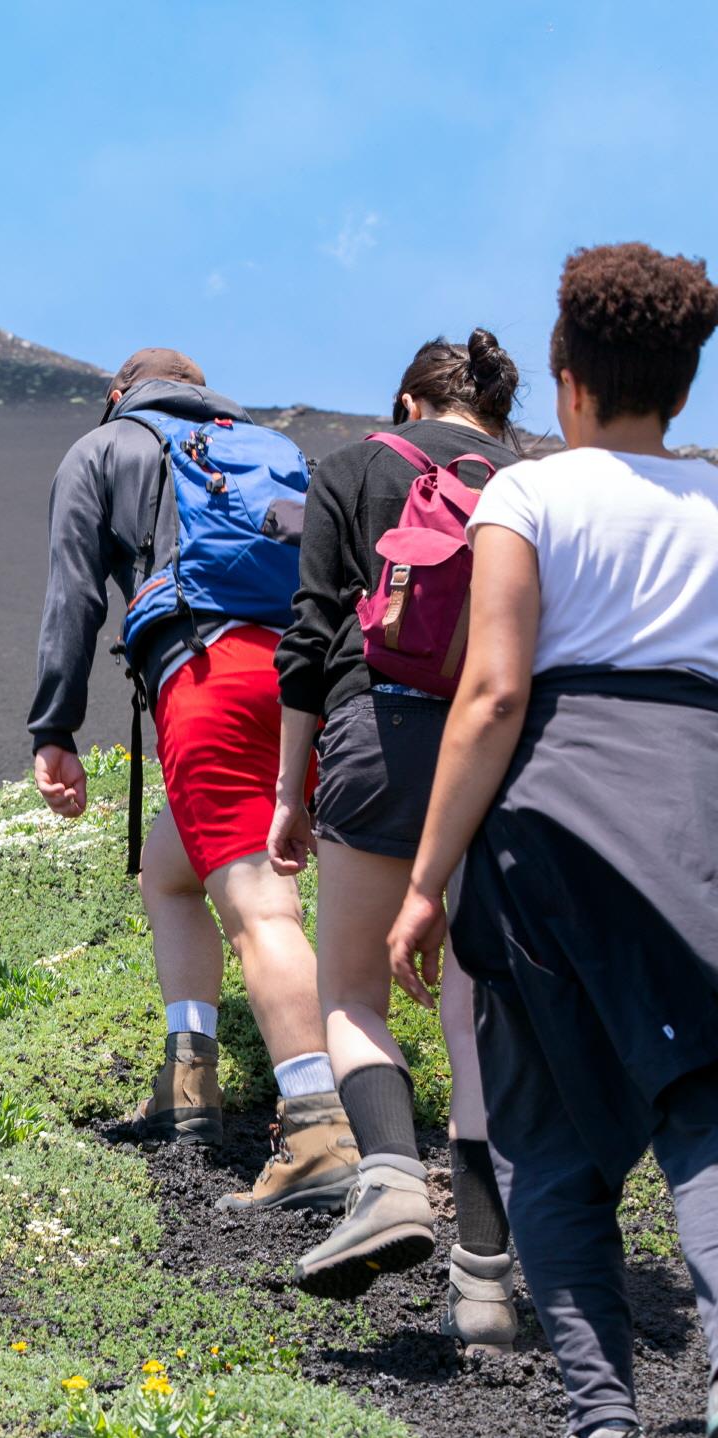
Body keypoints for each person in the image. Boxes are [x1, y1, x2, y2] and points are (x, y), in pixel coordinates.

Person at [388, 244, 718, 1438]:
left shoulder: (525, 495)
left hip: (551, 826)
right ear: (683, 387)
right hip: (699, 812)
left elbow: (492, 695)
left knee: (549, 1139)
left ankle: (603, 1417)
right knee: (705, 1103)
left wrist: (426, 883)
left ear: (567, 375)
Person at [29, 348, 357, 1212]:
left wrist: (54, 728)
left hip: (206, 675)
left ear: (118, 392)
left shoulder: (106, 448)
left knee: (260, 906)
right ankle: (189, 1081)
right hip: (298, 683)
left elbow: (73, 592)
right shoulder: (260, 444)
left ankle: (321, 1130)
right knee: (172, 871)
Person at [267, 333, 522, 1335]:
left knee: (354, 995)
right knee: (477, 1022)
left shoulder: (350, 466)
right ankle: (488, 1283)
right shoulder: (529, 483)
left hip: (374, 735)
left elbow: (312, 629)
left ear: (408, 403)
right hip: (500, 756)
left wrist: (293, 787)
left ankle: (390, 1176)